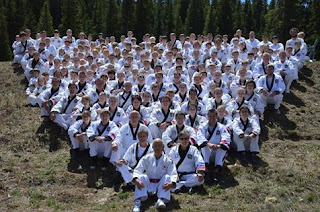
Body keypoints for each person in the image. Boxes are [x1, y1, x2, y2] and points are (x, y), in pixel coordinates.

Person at [132, 139, 178, 212]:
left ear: (163, 147)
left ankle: (161, 199)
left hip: (161, 185)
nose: (157, 148)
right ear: (152, 147)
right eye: (155, 146)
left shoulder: (168, 160)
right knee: (141, 177)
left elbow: (173, 173)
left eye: (159, 145)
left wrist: (171, 183)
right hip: (148, 184)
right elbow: (137, 169)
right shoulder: (146, 158)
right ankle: (138, 202)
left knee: (167, 177)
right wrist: (136, 180)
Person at [197, 109, 231, 177]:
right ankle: (205, 167)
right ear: (207, 116)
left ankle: (217, 168)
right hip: (207, 151)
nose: (212, 118)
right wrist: (208, 144)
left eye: (213, 116)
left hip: (217, 150)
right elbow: (199, 136)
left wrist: (219, 146)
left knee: (222, 148)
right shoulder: (203, 126)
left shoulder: (221, 127)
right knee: (204, 146)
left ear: (217, 116)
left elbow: (226, 137)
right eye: (210, 116)